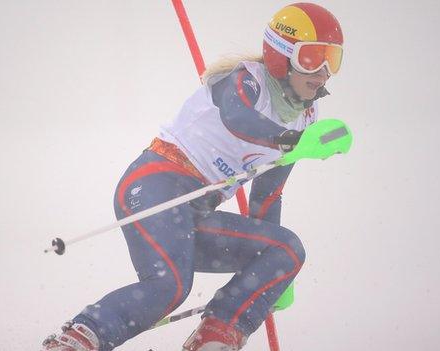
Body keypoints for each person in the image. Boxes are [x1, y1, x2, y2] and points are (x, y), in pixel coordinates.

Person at [41, 2, 344, 350]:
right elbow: (237, 117)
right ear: (281, 54)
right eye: (312, 58)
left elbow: (268, 196)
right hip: (155, 186)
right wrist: (285, 139)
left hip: (195, 212)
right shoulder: (247, 80)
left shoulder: (303, 120)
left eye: (332, 60)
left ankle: (216, 336)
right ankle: (80, 337)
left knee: (286, 249)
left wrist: (273, 275)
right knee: (169, 286)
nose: (323, 72)